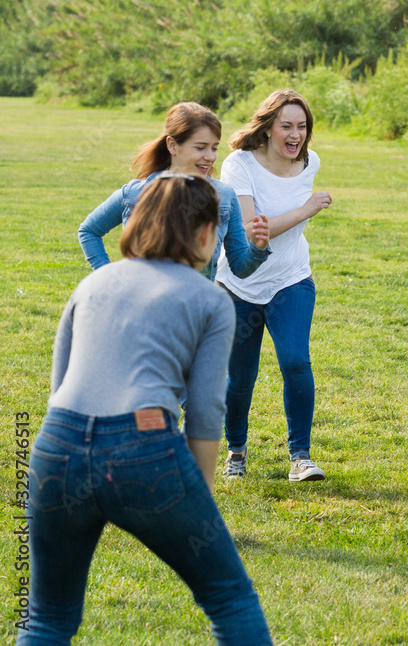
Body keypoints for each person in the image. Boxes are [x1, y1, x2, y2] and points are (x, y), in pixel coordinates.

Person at [20, 175, 273, 645]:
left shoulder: (93, 284)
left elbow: (59, 389)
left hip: (56, 451)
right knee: (230, 598)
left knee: (46, 620)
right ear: (204, 233)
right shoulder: (211, 300)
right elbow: (204, 410)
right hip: (143, 447)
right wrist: (202, 498)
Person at [216, 89, 332, 483]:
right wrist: (306, 209)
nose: (295, 134)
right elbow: (252, 233)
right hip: (240, 281)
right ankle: (236, 451)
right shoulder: (238, 165)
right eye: (287, 126)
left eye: (302, 126)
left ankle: (300, 456)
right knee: (240, 376)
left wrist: (301, 212)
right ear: (267, 128)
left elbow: (276, 228)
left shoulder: (309, 162)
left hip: (291, 278)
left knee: (296, 360)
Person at [78, 102, 271, 281]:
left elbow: (240, 268)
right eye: (200, 147)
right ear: (172, 145)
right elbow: (89, 231)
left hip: (194, 311)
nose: (210, 157)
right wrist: (109, 279)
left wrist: (257, 248)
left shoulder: (224, 196)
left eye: (214, 148)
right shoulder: (136, 193)